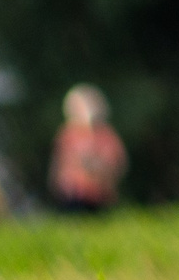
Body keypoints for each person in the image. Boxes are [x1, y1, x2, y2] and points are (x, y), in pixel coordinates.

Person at [50, 84, 127, 213]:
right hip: (73, 195)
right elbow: (61, 164)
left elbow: (116, 163)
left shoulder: (105, 135)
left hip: (99, 195)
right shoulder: (68, 134)